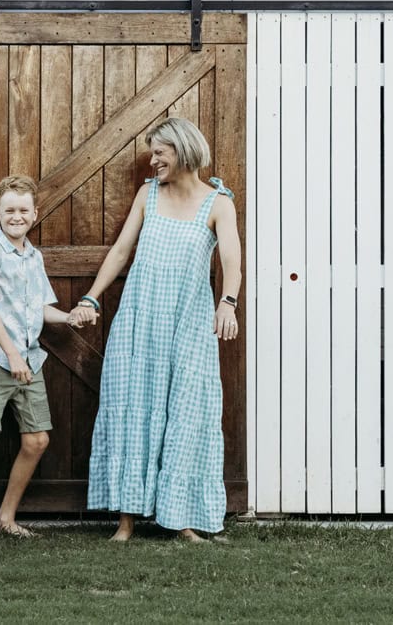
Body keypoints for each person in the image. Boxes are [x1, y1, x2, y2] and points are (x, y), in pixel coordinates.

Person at [69, 117, 241, 543]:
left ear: (182, 150)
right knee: (133, 410)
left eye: (160, 151)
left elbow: (233, 262)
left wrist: (228, 303)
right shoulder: (148, 194)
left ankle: (180, 518)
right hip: (140, 320)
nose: (153, 159)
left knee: (187, 413)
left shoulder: (218, 203)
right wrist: (91, 296)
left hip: (188, 322)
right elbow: (122, 249)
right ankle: (125, 521)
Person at [0, 175, 81, 549]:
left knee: (37, 439)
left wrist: (68, 317)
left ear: (35, 214)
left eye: (23, 210)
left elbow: (40, 308)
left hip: (29, 360)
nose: (16, 216)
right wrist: (9, 352)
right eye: (9, 210)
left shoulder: (33, 256)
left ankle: (5, 518)